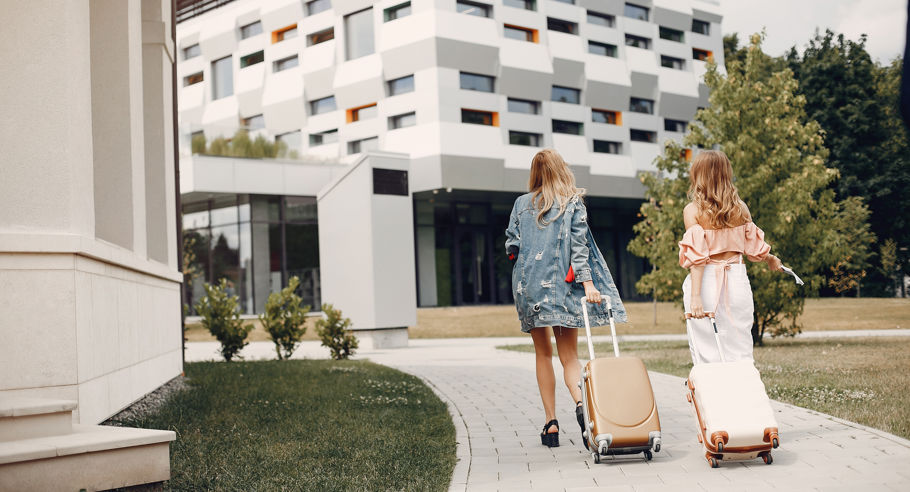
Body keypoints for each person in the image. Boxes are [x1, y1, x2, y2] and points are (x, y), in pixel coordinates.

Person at [505, 148, 627, 448]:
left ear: (534, 172)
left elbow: (512, 244)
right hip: (562, 288)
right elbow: (579, 247)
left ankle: (550, 425)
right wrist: (587, 284)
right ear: (562, 170)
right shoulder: (572, 203)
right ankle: (581, 405)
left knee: (542, 354)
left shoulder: (521, 204)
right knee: (569, 356)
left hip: (529, 288)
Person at [678, 150, 783, 364]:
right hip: (737, 280)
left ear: (698, 174)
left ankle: (714, 395)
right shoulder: (741, 208)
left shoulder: (693, 210)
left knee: (706, 349)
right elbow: (754, 247)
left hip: (706, 281)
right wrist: (770, 258)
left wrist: (696, 296)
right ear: (726, 174)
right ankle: (745, 395)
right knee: (741, 345)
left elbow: (698, 258)